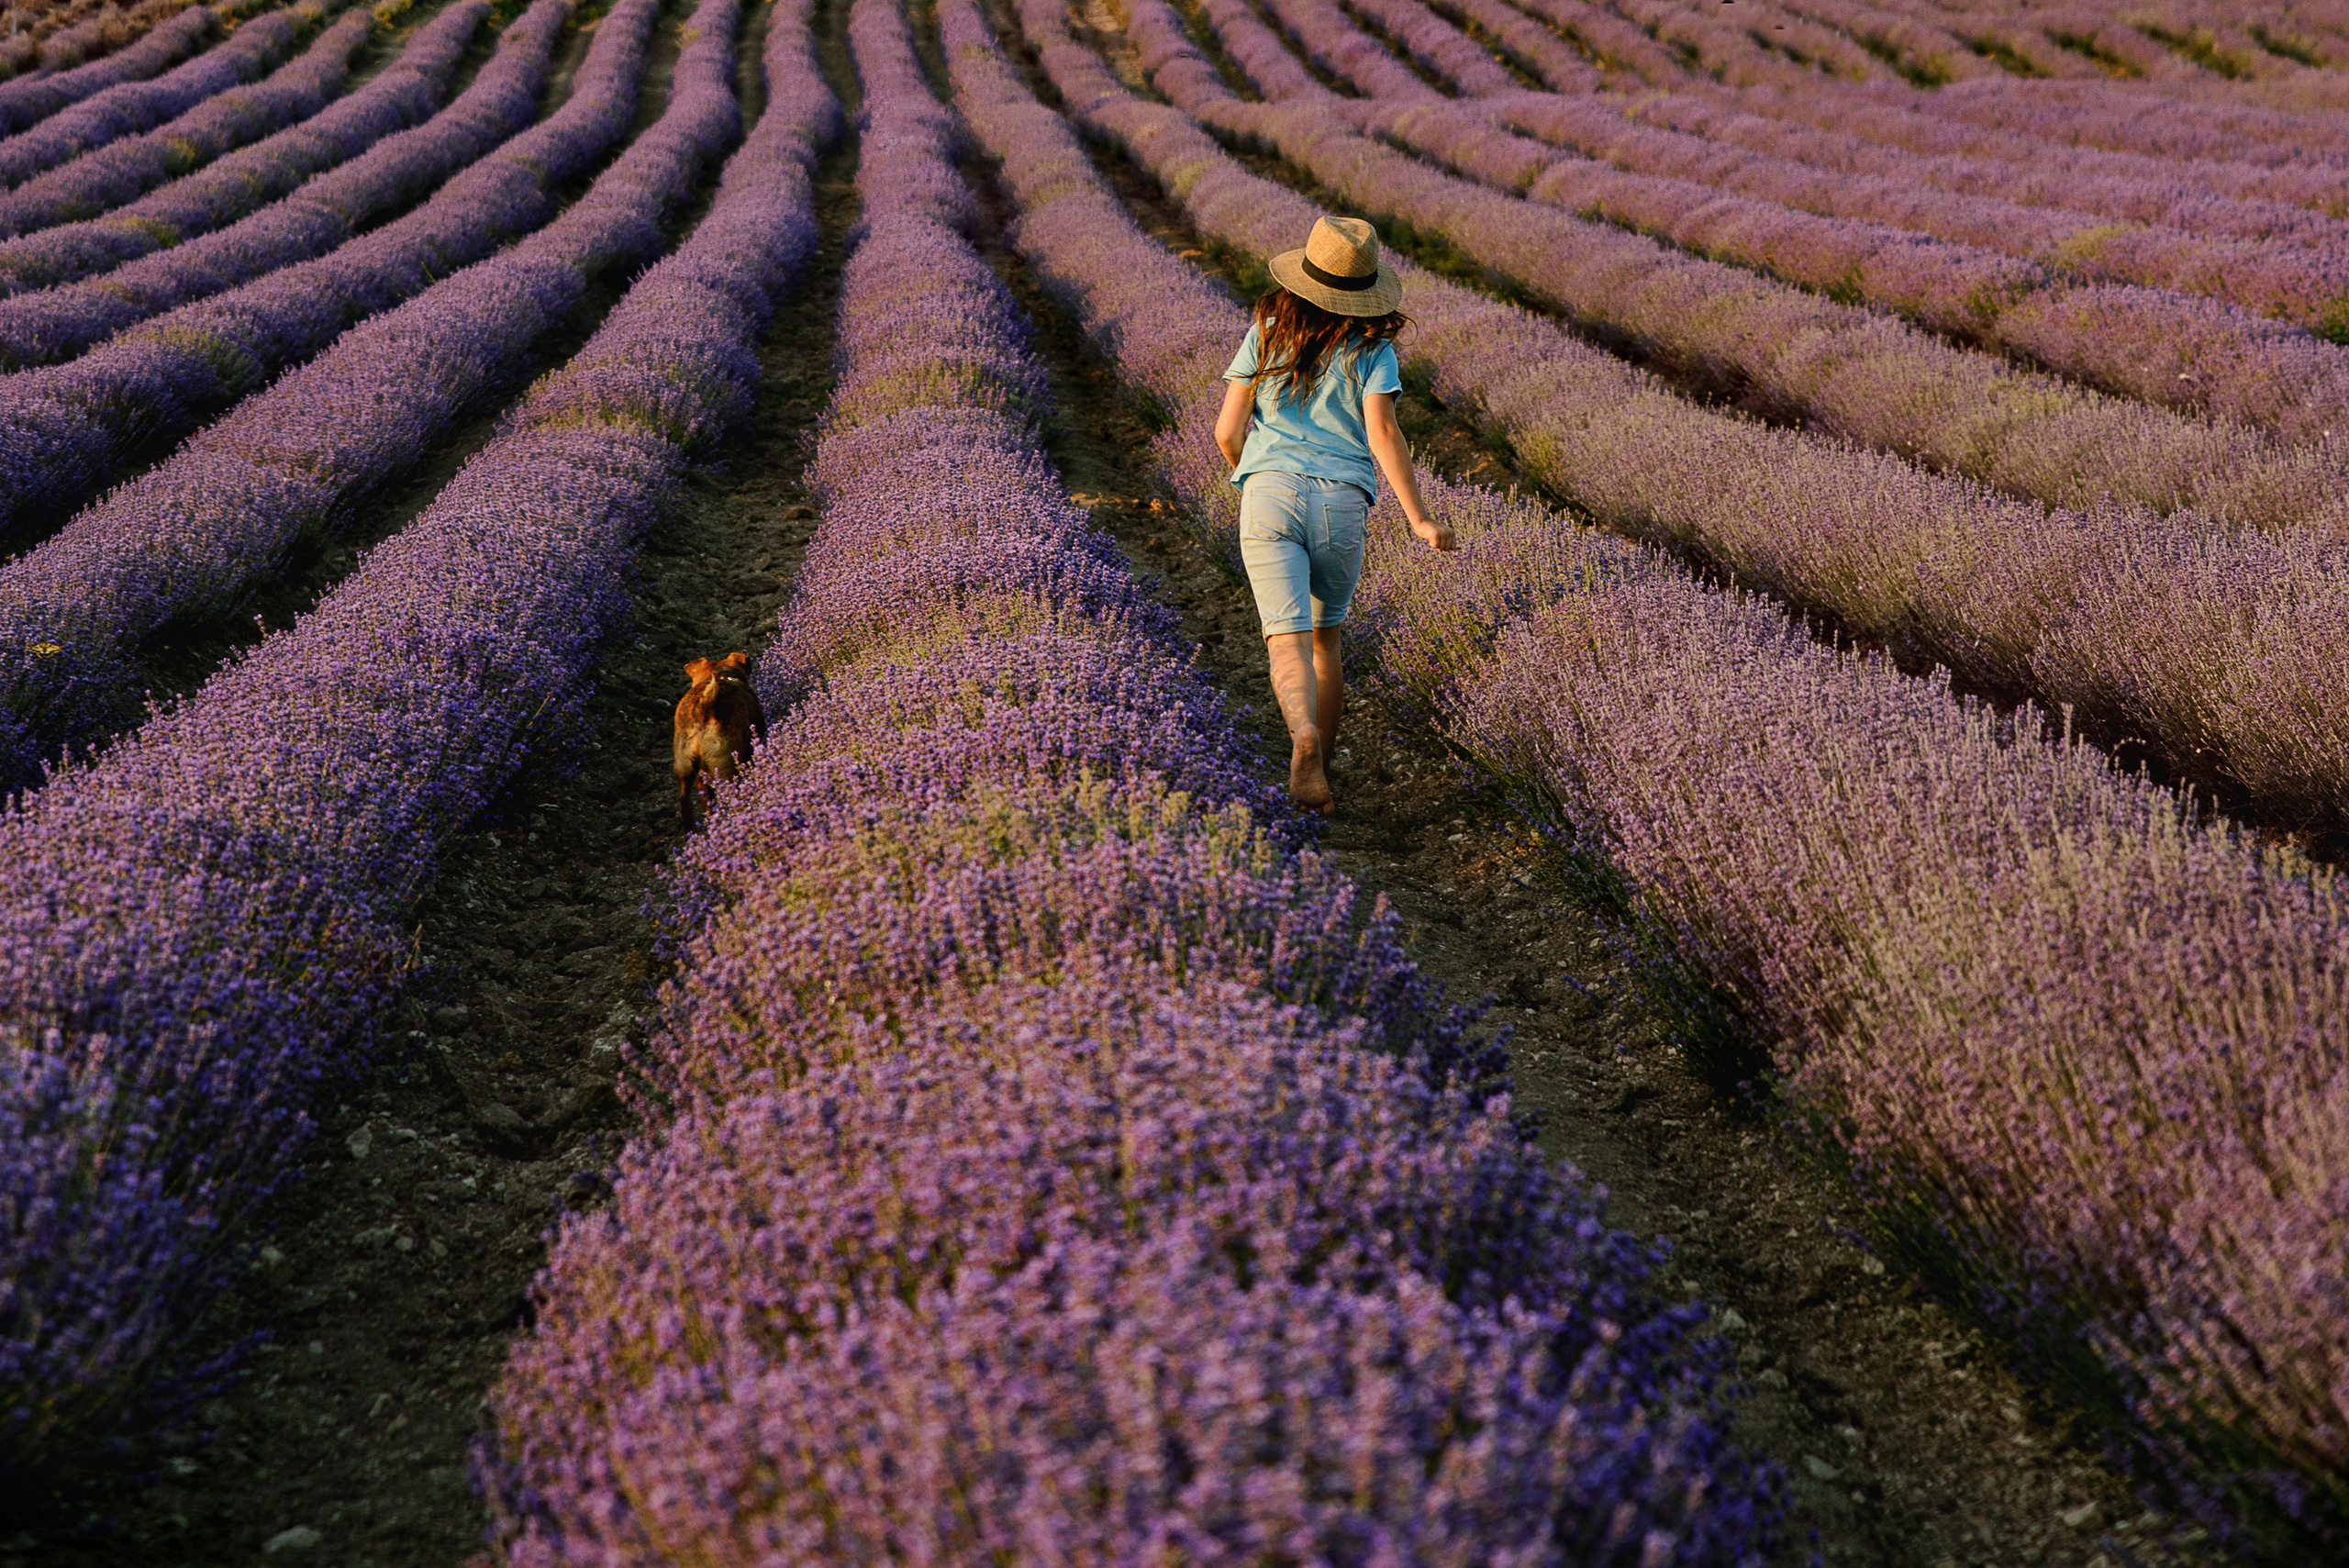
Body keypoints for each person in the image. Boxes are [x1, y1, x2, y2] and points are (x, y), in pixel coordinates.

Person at [1214, 214, 1453, 815]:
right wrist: (1420, 518)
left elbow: (1225, 431)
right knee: (1327, 643)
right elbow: (1384, 433)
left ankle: (1302, 739)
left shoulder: (1266, 331)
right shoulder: (1374, 349)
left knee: (1286, 640)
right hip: (1341, 504)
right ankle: (1322, 775)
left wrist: (1252, 474)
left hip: (1269, 494)